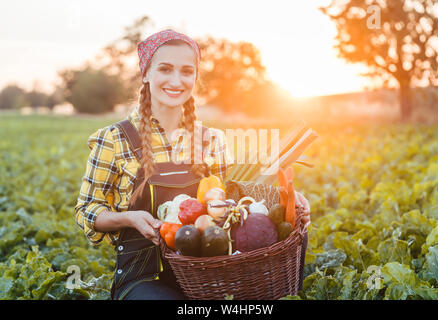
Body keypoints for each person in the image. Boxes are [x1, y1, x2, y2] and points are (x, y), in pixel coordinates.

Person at [74, 29, 311, 300]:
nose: (176, 80)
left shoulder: (211, 139)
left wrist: (288, 201)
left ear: (195, 78)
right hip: (144, 276)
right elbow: (87, 209)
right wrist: (129, 218)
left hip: (207, 274)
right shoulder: (115, 139)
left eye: (187, 71)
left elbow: (223, 200)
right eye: (165, 69)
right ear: (146, 74)